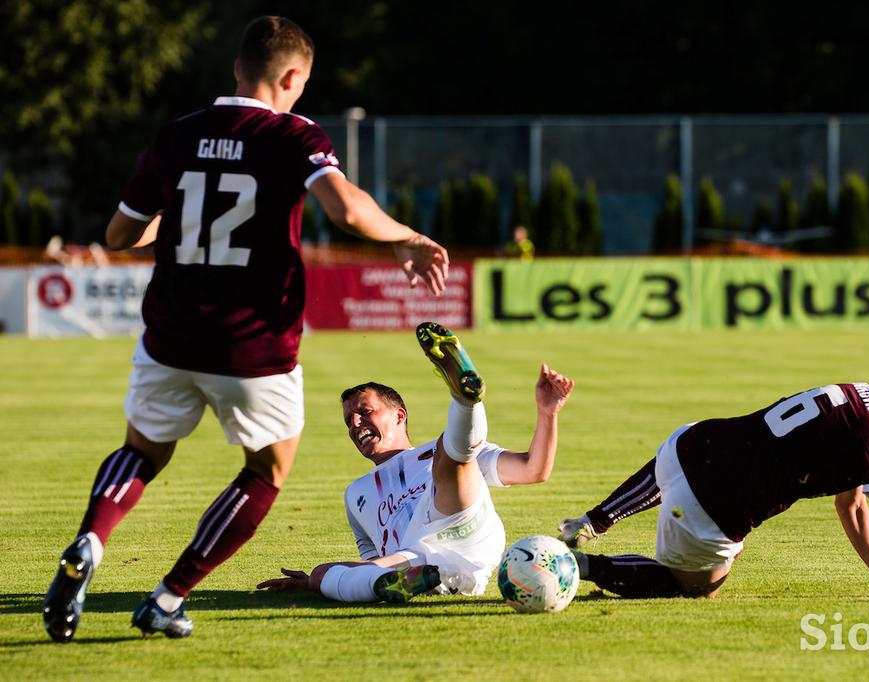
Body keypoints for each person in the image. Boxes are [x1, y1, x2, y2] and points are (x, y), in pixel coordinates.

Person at [42, 16, 450, 642]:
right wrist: (406, 237)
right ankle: (168, 596)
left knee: (142, 452)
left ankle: (91, 540)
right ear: (292, 77)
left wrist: (172, 223)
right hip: (255, 343)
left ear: (236, 68)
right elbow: (344, 209)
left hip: (170, 333)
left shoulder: (175, 136)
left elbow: (119, 235)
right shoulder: (294, 134)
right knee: (265, 472)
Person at [558, 376, 869, 601]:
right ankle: (579, 566)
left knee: (685, 463)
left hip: (689, 441)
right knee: (697, 586)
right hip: (712, 506)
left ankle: (594, 520)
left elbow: (852, 506)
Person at [256, 322, 574, 602]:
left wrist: (548, 413)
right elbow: (374, 560)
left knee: (449, 459)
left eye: (364, 412)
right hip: (415, 558)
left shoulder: (434, 452)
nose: (355, 424)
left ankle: (465, 399)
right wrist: (320, 581)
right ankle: (419, 582)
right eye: (348, 420)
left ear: (399, 415)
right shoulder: (355, 494)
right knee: (323, 573)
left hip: (462, 529)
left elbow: (534, 469)